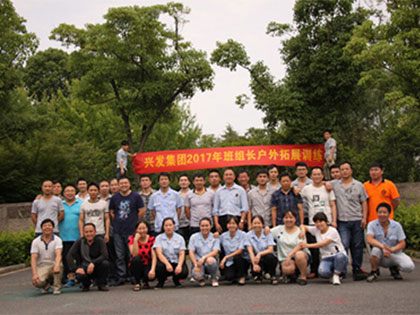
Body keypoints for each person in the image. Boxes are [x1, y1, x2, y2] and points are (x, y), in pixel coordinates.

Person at [331, 161, 368, 281]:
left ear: (351, 170)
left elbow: (364, 202)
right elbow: (320, 183)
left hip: (357, 219)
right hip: (342, 220)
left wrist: (364, 217)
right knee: (344, 245)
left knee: (357, 246)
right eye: (342, 169)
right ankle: (342, 270)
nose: (344, 171)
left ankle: (357, 269)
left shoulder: (358, 185)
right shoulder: (334, 184)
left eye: (347, 169)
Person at [300, 167, 337, 278]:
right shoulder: (307, 189)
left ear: (322, 176)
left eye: (319, 174)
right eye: (314, 174)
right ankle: (314, 270)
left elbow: (332, 204)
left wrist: (334, 220)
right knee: (314, 249)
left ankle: (333, 269)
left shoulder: (328, 188)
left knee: (329, 246)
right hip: (313, 222)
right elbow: (298, 193)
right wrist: (293, 188)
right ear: (311, 177)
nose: (316, 176)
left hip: (327, 221)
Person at [109, 177, 145, 285]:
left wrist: (133, 221)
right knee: (120, 255)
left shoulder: (136, 196)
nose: (123, 185)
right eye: (121, 183)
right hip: (118, 230)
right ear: (118, 185)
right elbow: (111, 212)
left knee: (131, 254)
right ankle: (121, 276)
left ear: (129, 184)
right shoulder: (114, 198)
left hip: (132, 230)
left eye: (126, 183)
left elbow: (141, 210)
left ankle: (132, 275)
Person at [366, 203, 415, 282]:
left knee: (409, 266)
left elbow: (402, 243)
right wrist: (383, 247)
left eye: (384, 212)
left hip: (394, 253)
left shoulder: (397, 225)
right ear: (377, 213)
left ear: (389, 214)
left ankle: (395, 268)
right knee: (375, 250)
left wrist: (392, 250)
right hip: (381, 254)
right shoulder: (372, 224)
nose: (382, 214)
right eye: (380, 212)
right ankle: (373, 272)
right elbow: (369, 239)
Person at [299, 212, 348, 285]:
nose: (319, 224)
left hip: (337, 255)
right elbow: (302, 226)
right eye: (316, 222)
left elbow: (323, 243)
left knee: (340, 257)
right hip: (326, 257)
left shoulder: (332, 231)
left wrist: (307, 245)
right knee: (322, 272)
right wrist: (303, 231)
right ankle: (333, 274)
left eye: (321, 221)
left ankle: (337, 274)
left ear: (326, 222)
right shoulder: (316, 230)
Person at [270, 211, 310, 285]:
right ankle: (292, 275)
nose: (288, 220)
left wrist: (290, 255)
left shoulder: (300, 231)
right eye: (286, 217)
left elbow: (301, 245)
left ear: (295, 219)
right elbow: (266, 233)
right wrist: (266, 228)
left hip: (299, 257)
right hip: (284, 258)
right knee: (288, 270)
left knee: (299, 255)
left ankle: (303, 276)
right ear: (283, 219)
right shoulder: (278, 229)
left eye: (291, 217)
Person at [67, 223, 109, 291]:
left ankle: (101, 284)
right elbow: (70, 255)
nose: (89, 234)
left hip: (96, 266)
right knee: (80, 275)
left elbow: (105, 255)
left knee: (105, 264)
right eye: (86, 232)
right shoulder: (80, 241)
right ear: (83, 233)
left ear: (95, 232)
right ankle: (86, 284)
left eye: (91, 231)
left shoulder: (100, 240)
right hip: (84, 266)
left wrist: (93, 263)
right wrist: (75, 269)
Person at [153, 218, 189, 288]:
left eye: (170, 225)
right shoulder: (159, 238)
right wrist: (167, 264)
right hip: (164, 263)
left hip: (176, 261)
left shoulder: (180, 238)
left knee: (184, 272)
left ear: (174, 226)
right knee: (159, 267)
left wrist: (179, 265)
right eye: (166, 225)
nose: (168, 227)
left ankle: (176, 280)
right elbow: (159, 253)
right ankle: (161, 282)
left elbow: (182, 253)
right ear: (163, 227)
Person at [30, 219, 63, 295]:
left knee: (59, 265)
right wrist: (34, 274)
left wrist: (57, 265)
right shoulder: (36, 241)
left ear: (53, 228)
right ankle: (46, 285)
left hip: (53, 264)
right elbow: (33, 258)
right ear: (41, 228)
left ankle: (57, 287)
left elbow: (58, 254)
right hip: (42, 266)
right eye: (45, 226)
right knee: (37, 282)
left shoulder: (57, 240)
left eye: (49, 226)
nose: (47, 228)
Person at [59, 184, 82, 287]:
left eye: (72, 191)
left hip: (78, 236)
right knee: (66, 258)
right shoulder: (60, 205)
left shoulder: (81, 203)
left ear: (75, 193)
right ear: (64, 193)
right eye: (67, 191)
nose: (70, 193)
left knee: (80, 258)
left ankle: (80, 277)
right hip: (64, 237)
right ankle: (71, 278)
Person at [213, 168, 249, 233]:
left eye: (230, 175)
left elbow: (245, 208)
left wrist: (242, 221)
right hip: (222, 219)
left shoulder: (240, 190)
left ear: (234, 177)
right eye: (226, 175)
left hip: (236, 218)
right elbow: (215, 210)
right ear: (223, 177)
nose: (228, 176)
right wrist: (216, 224)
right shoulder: (219, 191)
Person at [245, 215, 277, 284]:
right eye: (255, 223)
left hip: (266, 257)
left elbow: (270, 249)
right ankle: (258, 275)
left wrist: (260, 254)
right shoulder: (248, 235)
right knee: (255, 270)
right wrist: (254, 265)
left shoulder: (267, 233)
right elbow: (250, 252)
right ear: (251, 224)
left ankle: (272, 275)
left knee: (270, 256)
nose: (257, 225)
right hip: (256, 259)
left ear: (262, 224)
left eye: (259, 223)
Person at [189, 218, 221, 287]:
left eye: (207, 225)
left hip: (209, 260)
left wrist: (204, 258)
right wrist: (195, 264)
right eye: (202, 226)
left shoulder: (214, 237)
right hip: (198, 262)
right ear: (199, 227)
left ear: (211, 226)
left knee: (211, 260)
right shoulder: (194, 237)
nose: (204, 228)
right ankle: (202, 278)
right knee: (196, 275)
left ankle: (213, 278)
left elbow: (215, 251)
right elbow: (191, 252)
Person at [219, 216, 248, 285]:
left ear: (237, 225)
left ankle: (241, 276)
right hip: (230, 262)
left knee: (237, 257)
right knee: (229, 277)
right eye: (229, 223)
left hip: (241, 260)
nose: (231, 225)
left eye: (233, 223)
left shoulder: (243, 234)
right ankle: (235, 275)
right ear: (226, 225)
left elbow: (240, 250)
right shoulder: (223, 236)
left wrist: (226, 257)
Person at [128, 220, 157, 291]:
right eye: (139, 229)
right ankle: (137, 282)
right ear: (136, 230)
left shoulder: (152, 239)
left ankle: (145, 281)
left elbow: (154, 256)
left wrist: (153, 270)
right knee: (136, 259)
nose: (142, 231)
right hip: (137, 265)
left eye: (144, 228)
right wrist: (135, 241)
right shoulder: (131, 238)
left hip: (148, 264)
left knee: (153, 271)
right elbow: (134, 254)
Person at [177, 174, 191, 242]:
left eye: (185, 180)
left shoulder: (193, 193)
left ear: (189, 182)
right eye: (181, 180)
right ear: (179, 183)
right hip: (180, 224)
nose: (183, 182)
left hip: (192, 223)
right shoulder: (175, 195)